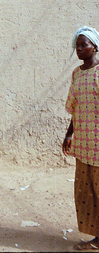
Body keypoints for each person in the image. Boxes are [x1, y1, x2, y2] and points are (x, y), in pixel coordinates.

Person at [63, 25, 99, 251]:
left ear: (94, 46)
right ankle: (96, 236)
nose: (79, 49)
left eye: (83, 44)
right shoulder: (77, 74)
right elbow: (74, 106)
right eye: (77, 45)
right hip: (83, 144)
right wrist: (69, 134)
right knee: (86, 190)